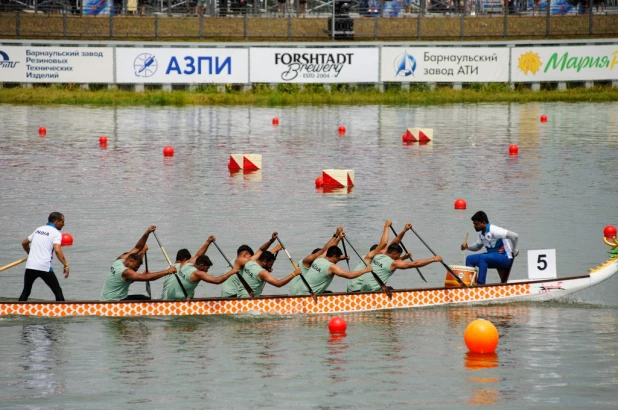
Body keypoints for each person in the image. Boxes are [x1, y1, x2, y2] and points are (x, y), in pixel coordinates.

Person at [354, 223, 441, 292]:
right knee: (391, 290)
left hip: (363, 289)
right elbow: (415, 263)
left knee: (389, 287)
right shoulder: (394, 263)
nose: (399, 258)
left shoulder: (379, 254)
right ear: (394, 253)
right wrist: (433, 259)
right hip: (373, 292)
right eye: (398, 256)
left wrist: (404, 230)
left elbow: (394, 243)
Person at [100, 226, 177, 301]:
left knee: (141, 297)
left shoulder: (119, 261)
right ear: (130, 261)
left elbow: (137, 248)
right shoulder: (126, 272)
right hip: (114, 302)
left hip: (105, 299)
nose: (136, 269)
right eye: (136, 267)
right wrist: (167, 271)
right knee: (145, 299)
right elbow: (147, 278)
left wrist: (147, 233)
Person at [19, 212, 70, 301]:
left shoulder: (38, 229)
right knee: (57, 291)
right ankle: (62, 312)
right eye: (62, 222)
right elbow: (58, 251)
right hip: (44, 267)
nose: (63, 224)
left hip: (30, 265)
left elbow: (24, 243)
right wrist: (66, 264)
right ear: (56, 221)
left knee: (26, 291)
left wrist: (29, 252)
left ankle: (16, 310)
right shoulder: (56, 233)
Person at [461, 211, 519, 285]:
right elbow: (477, 247)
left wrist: (514, 250)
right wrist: (467, 247)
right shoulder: (482, 234)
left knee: (483, 258)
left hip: (505, 258)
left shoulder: (494, 230)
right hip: (493, 257)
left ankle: (480, 285)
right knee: (469, 259)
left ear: (483, 222)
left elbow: (514, 236)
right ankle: (470, 283)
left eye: (476, 224)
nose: (474, 226)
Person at [289, 245, 374, 295]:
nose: (337, 261)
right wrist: (365, 270)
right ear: (334, 256)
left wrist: (343, 257)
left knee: (329, 292)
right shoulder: (331, 267)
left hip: (299, 291)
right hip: (308, 295)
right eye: (337, 258)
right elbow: (349, 275)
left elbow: (325, 250)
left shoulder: (318, 259)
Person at [162, 254, 249, 300]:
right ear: (201, 265)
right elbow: (217, 281)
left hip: (170, 297)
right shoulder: (198, 273)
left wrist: (208, 242)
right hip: (180, 301)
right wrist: (231, 272)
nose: (206, 271)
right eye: (206, 268)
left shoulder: (187, 264)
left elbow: (198, 255)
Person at [220, 232, 281, 297]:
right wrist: (274, 250)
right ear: (244, 255)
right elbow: (259, 259)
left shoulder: (237, 263)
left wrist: (271, 240)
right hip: (231, 295)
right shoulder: (238, 261)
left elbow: (261, 251)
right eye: (250, 256)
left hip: (231, 295)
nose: (252, 259)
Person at [347, 220, 394, 292]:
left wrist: (404, 230)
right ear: (376, 252)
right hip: (357, 289)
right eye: (381, 251)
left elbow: (392, 247)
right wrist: (386, 226)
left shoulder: (370, 258)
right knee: (389, 289)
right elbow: (383, 243)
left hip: (353, 288)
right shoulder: (370, 257)